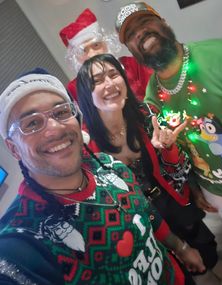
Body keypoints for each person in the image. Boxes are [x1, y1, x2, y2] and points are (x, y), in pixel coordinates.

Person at [0, 68, 205, 284]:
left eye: (61, 112)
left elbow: (145, 210)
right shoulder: (22, 241)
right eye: (31, 123)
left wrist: (180, 248)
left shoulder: (109, 165)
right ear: (13, 148)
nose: (54, 129)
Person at [76, 53, 221, 283]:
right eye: (98, 80)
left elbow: (178, 171)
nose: (110, 83)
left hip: (174, 200)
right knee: (174, 269)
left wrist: (169, 149)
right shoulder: (88, 149)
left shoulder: (146, 115)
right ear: (86, 95)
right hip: (142, 220)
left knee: (206, 249)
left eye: (114, 74)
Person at [115, 0, 222, 260]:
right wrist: (193, 184)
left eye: (145, 22)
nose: (140, 33)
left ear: (164, 23)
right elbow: (177, 151)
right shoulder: (151, 102)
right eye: (132, 35)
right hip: (220, 195)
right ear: (133, 52)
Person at [59, 8, 153, 102]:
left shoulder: (132, 63)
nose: (92, 54)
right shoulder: (75, 87)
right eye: (83, 51)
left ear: (107, 43)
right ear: (76, 58)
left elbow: (156, 96)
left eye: (96, 45)